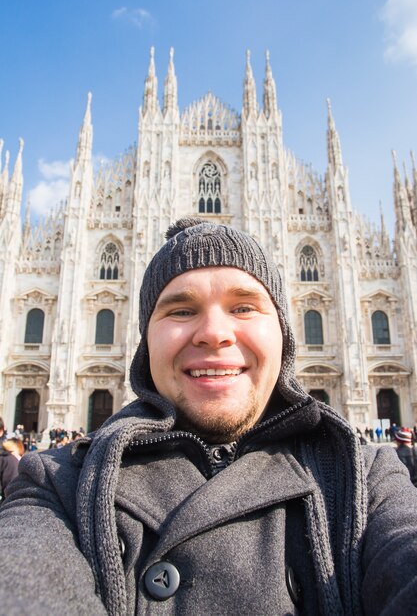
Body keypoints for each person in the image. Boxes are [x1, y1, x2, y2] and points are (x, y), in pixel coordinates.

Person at [1, 218, 417, 615]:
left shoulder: (367, 480)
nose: (214, 333)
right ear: (146, 341)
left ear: (284, 334)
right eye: (180, 311)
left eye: (244, 307)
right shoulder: (56, 484)